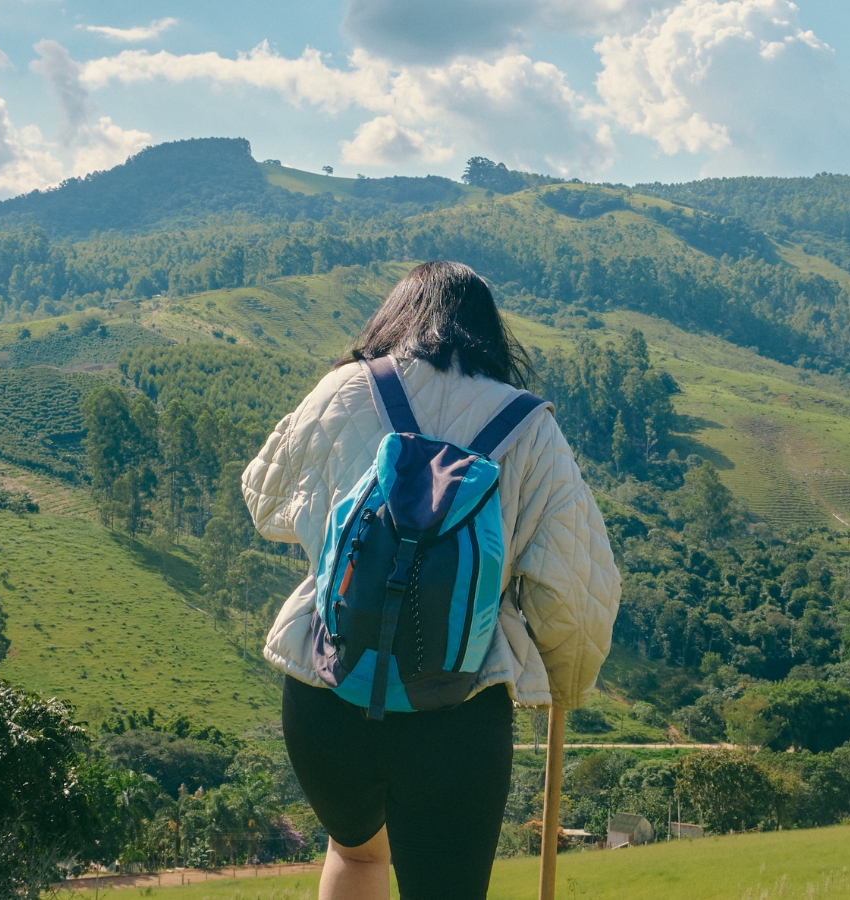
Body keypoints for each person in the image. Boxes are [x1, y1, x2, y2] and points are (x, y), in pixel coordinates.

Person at [242, 261, 620, 900]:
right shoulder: (529, 427)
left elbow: (265, 498)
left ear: (393, 317)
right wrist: (566, 686)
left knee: (356, 856)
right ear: (491, 335)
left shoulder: (341, 391)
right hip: (458, 711)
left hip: (328, 688)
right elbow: (575, 597)